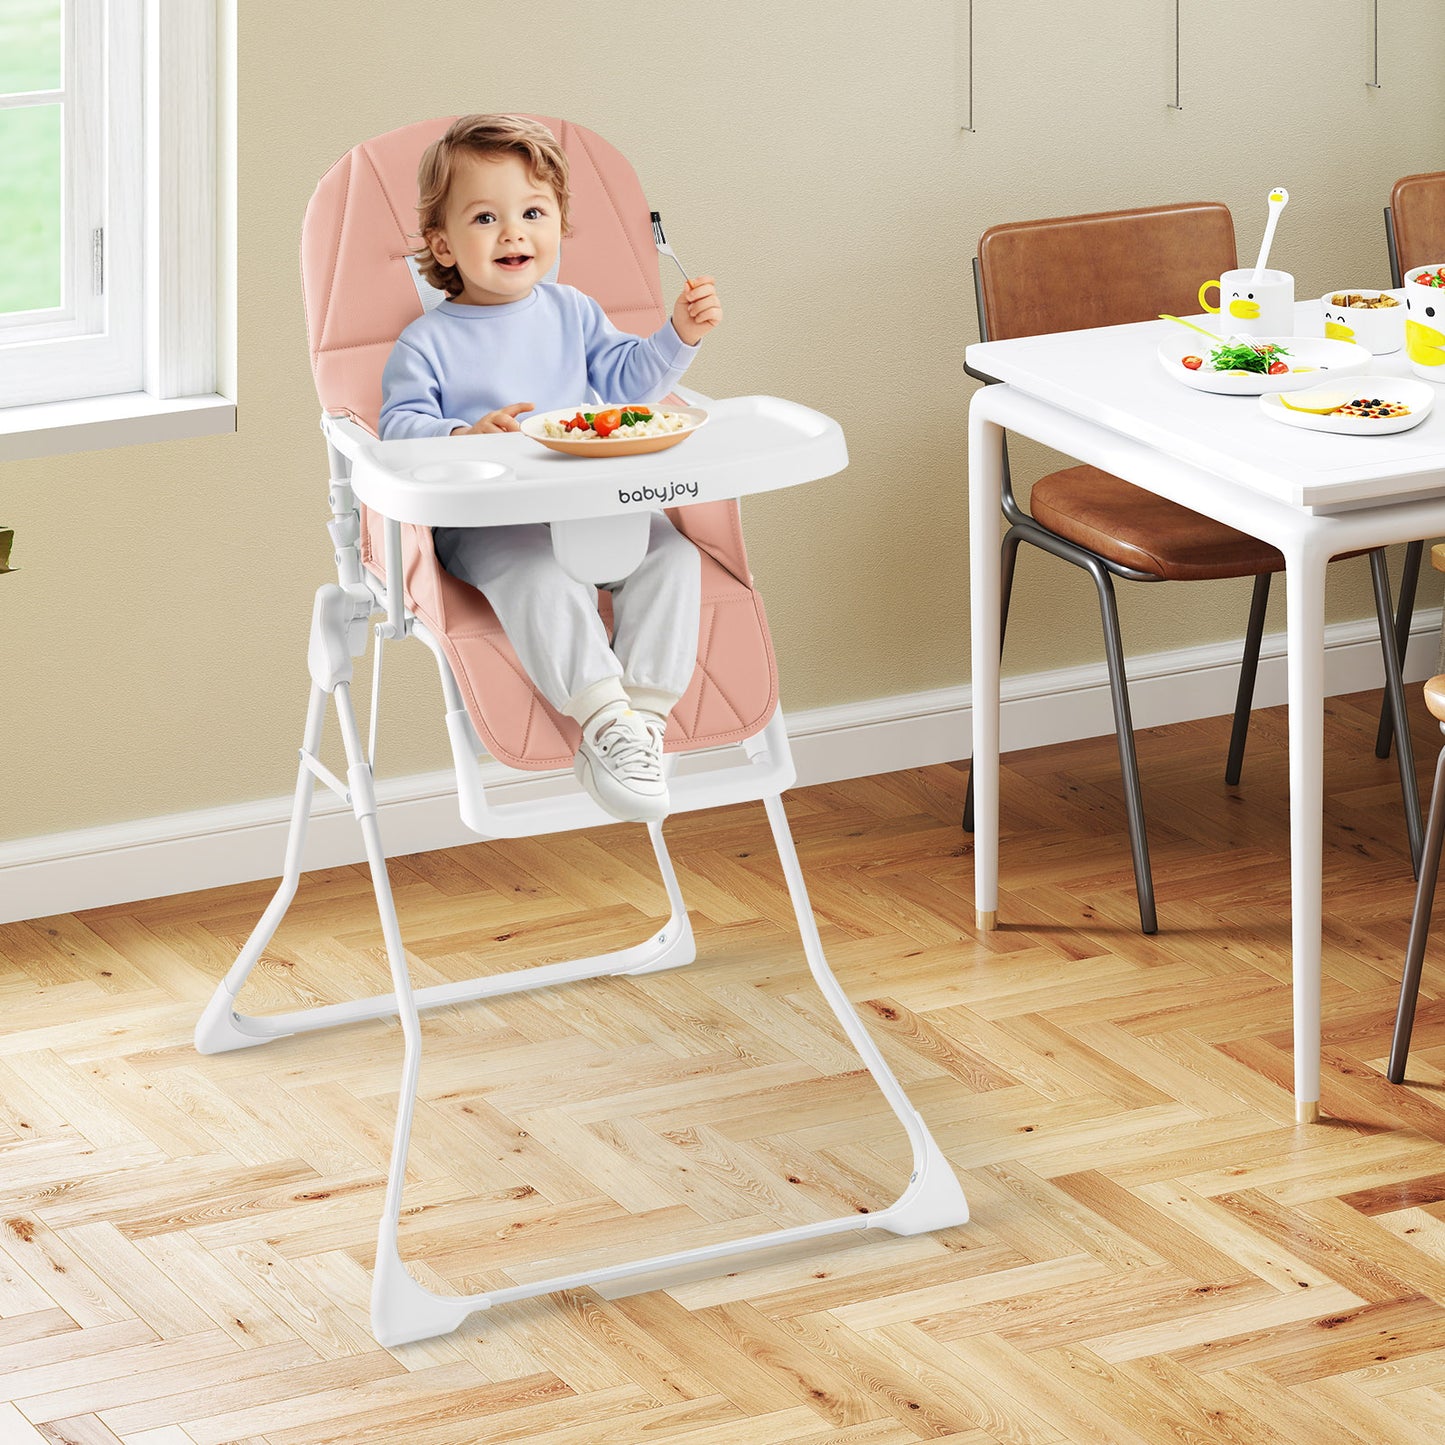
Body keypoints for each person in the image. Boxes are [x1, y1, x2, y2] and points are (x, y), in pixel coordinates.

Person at [380, 115, 721, 822]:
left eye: (533, 212)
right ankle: (602, 716)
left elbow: (630, 386)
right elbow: (398, 429)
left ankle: (644, 721)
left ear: (559, 224)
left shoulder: (573, 312)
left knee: (670, 556)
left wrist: (677, 334)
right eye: (485, 217)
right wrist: (463, 433)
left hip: (590, 501)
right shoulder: (427, 342)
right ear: (442, 242)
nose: (514, 232)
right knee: (536, 577)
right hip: (489, 523)